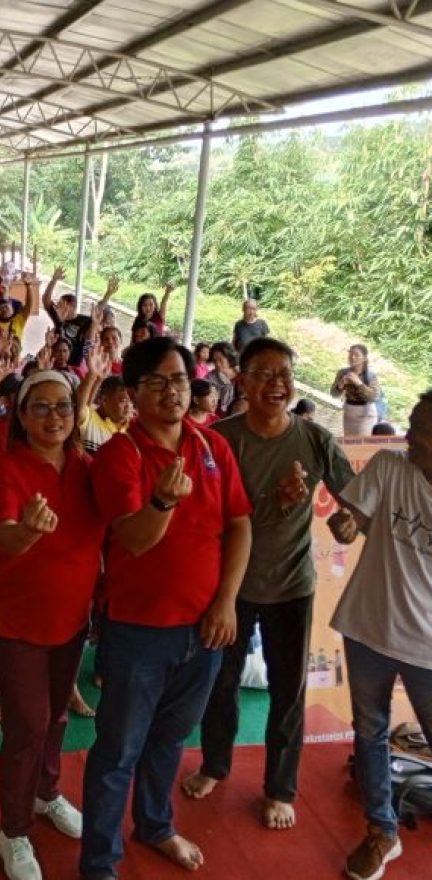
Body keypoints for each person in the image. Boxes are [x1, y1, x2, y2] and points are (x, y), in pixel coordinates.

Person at [81, 336, 252, 880]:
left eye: (179, 379)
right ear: (133, 392)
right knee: (118, 752)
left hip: (205, 629)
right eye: (157, 382)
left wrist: (226, 602)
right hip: (139, 632)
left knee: (170, 739)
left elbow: (240, 524)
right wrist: (162, 502)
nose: (172, 392)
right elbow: (133, 539)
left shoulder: (211, 446)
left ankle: (155, 825)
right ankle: (99, 863)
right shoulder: (120, 455)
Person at [181, 338, 354, 830]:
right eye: (264, 374)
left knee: (288, 690)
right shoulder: (220, 440)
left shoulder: (315, 440)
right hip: (229, 587)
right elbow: (206, 517)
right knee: (221, 683)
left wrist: (349, 523)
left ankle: (280, 789)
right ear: (241, 380)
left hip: (292, 586)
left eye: (284, 375)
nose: (277, 384)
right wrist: (271, 501)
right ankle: (215, 765)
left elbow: (356, 505)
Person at [0, 370, 104, 880]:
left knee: (55, 719)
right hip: (16, 622)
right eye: (42, 407)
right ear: (22, 416)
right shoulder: (4, 469)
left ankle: (45, 792)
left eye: (63, 406)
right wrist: (29, 531)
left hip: (72, 620)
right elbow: (2, 538)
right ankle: (12, 830)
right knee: (28, 724)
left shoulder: (87, 467)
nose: (54, 416)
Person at [326, 392, 432, 880]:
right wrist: (345, 526)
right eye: (412, 424)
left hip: (426, 646)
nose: (412, 437)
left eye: (423, 431)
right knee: (369, 733)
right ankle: (381, 832)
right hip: (367, 627)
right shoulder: (390, 468)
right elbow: (351, 526)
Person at [332, 344, 381, 436]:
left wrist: (359, 383)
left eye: (356, 355)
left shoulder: (370, 375)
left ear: (364, 358)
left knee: (362, 442)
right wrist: (340, 385)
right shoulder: (343, 373)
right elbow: (334, 394)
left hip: (366, 414)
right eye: (350, 354)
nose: (352, 357)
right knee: (349, 441)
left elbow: (374, 397)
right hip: (349, 412)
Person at [0, 271, 36, 348]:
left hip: (14, 354)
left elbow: (29, 305)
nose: (4, 310)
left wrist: (29, 285)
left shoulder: (18, 320)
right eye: (0, 308)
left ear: (13, 310)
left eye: (6, 307)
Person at [205, 341, 238, 417]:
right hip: (217, 416)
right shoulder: (209, 378)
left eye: (220, 360)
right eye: (214, 361)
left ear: (229, 358)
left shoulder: (241, 374)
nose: (217, 364)